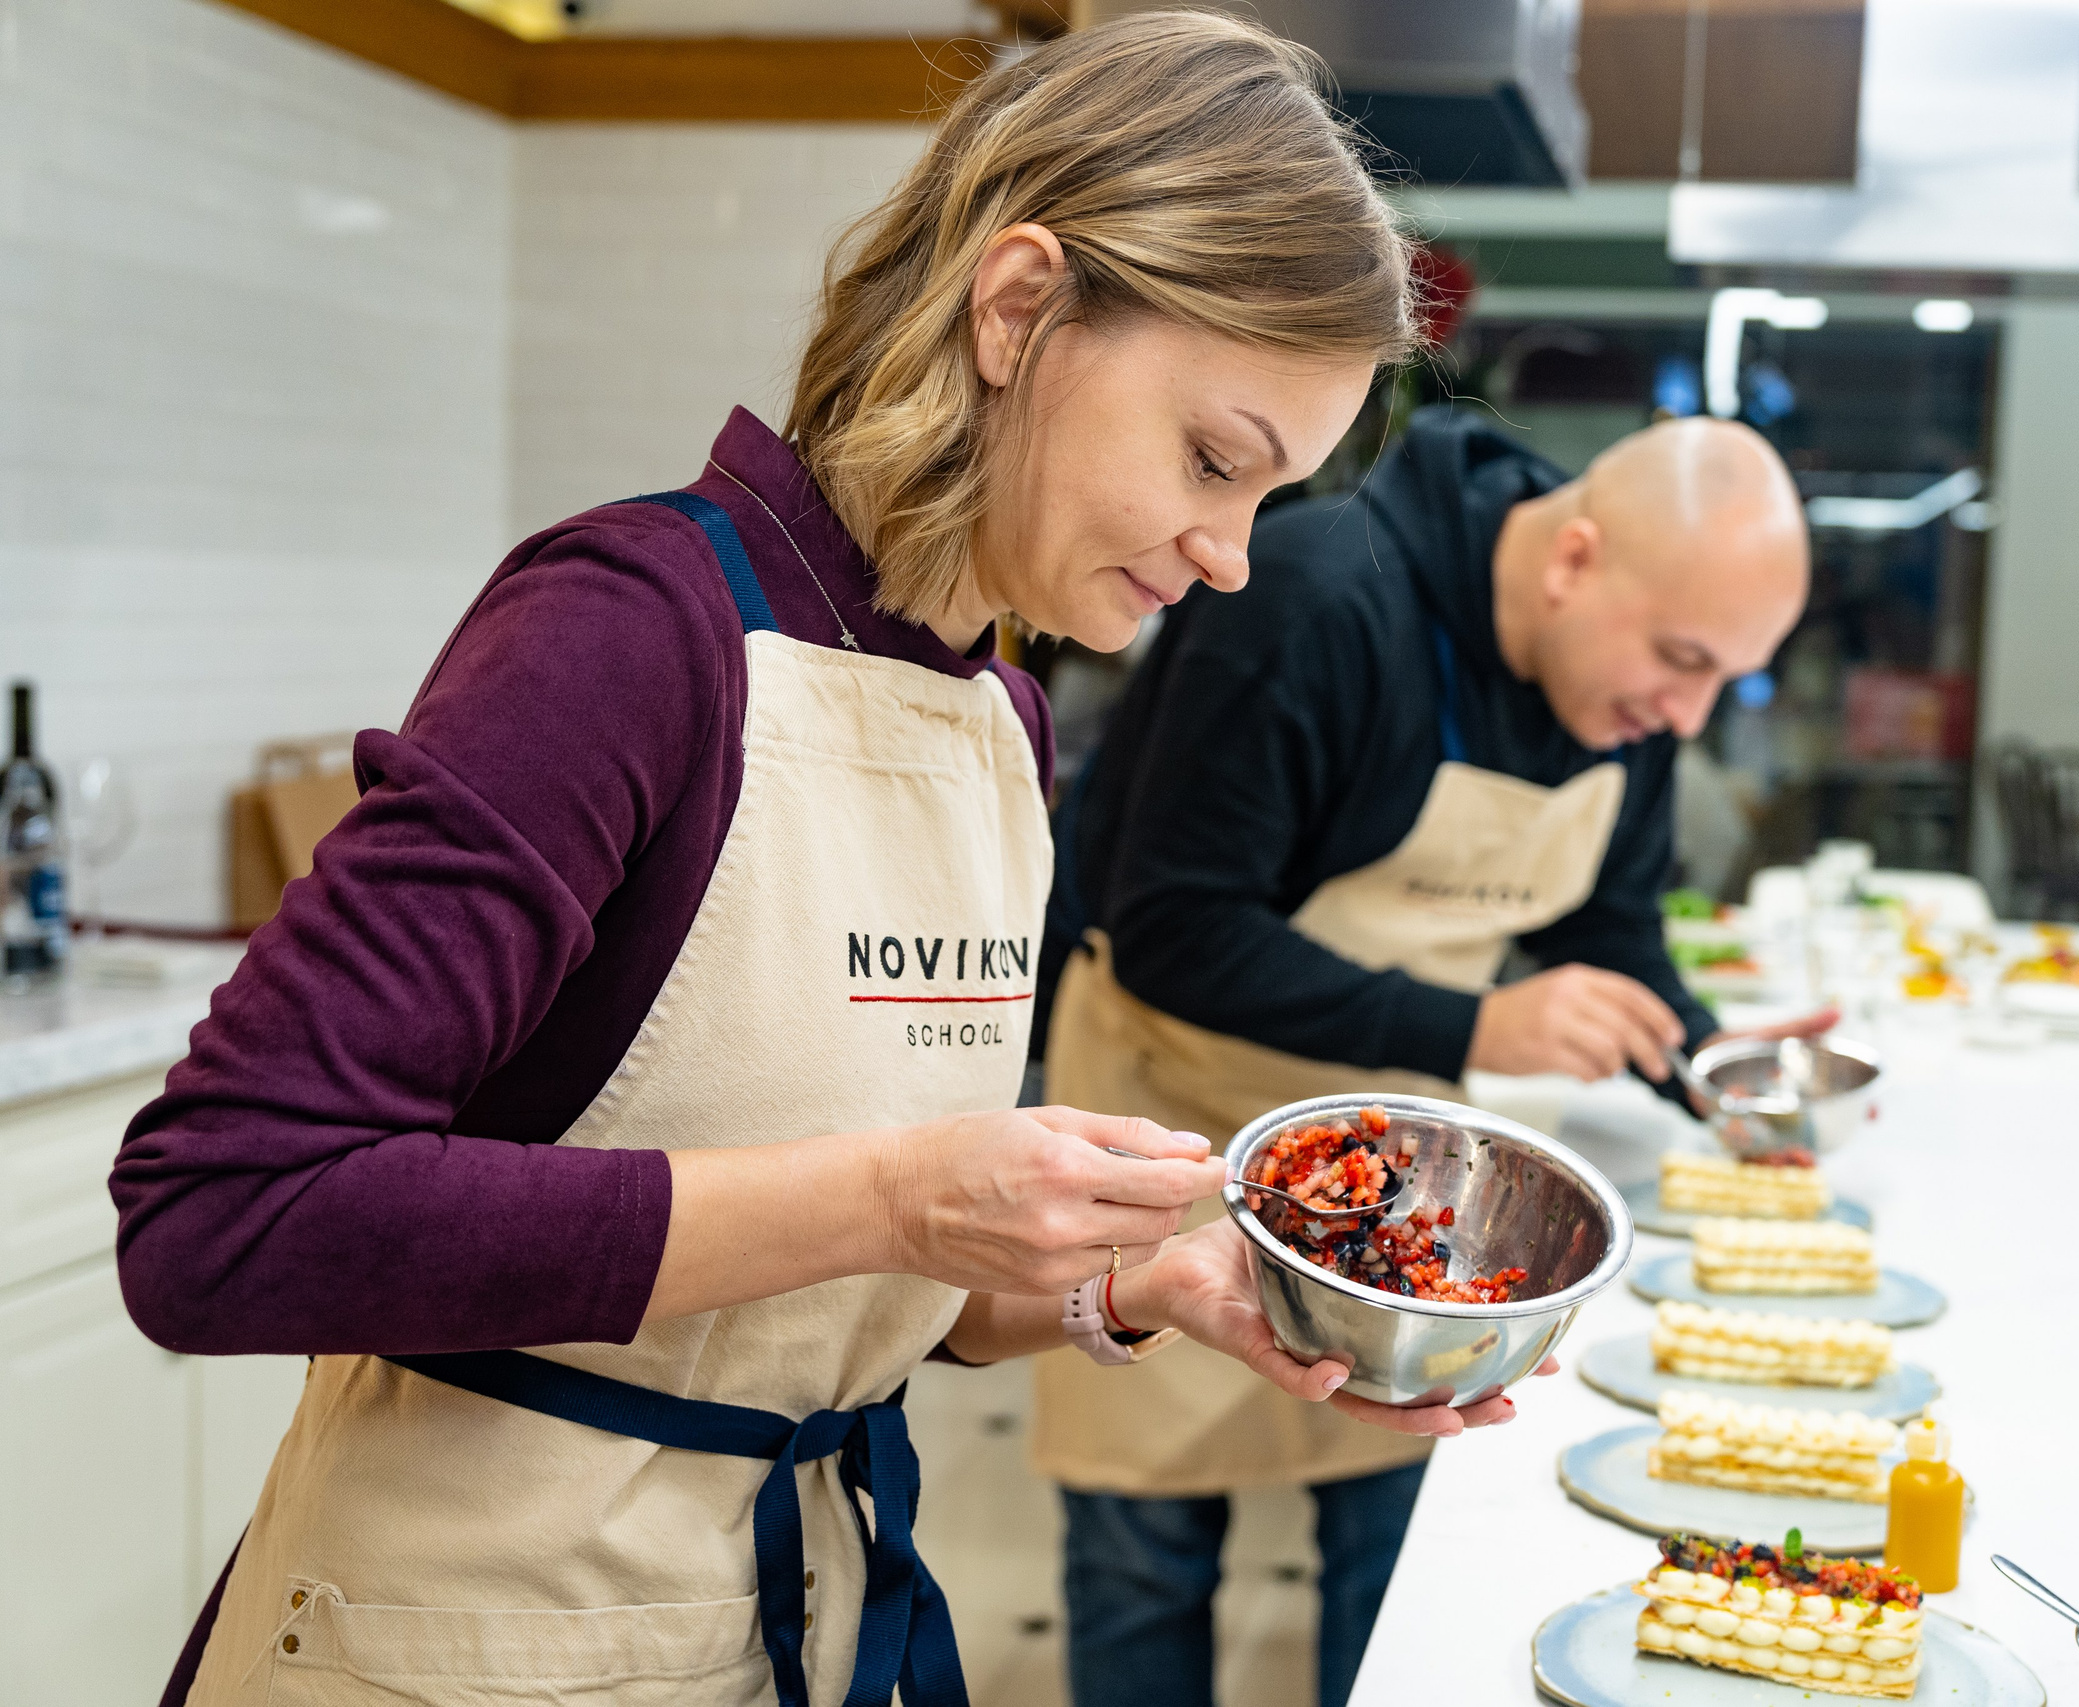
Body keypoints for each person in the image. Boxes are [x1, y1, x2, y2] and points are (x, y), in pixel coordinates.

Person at [109, 19, 1538, 1707]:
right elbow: (218, 1214)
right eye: (1214, 462)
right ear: (1017, 310)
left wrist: (1130, 1287)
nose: (1229, 561)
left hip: (788, 1618)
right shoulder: (634, 636)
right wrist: (889, 1192)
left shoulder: (1000, 721)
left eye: (1271, 498)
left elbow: (850, 1298)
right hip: (467, 1636)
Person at [1035, 405, 1814, 1707]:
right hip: (1176, 1119)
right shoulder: (1312, 600)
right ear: (1573, 561)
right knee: (1147, 1549)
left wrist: (1711, 1061)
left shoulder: (1624, 702)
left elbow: (1612, 931)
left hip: (1393, 1178)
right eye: (1679, 661)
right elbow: (1175, 926)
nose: (1682, 715)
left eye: (1716, 684)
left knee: (1390, 1548)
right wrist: (1474, 1028)